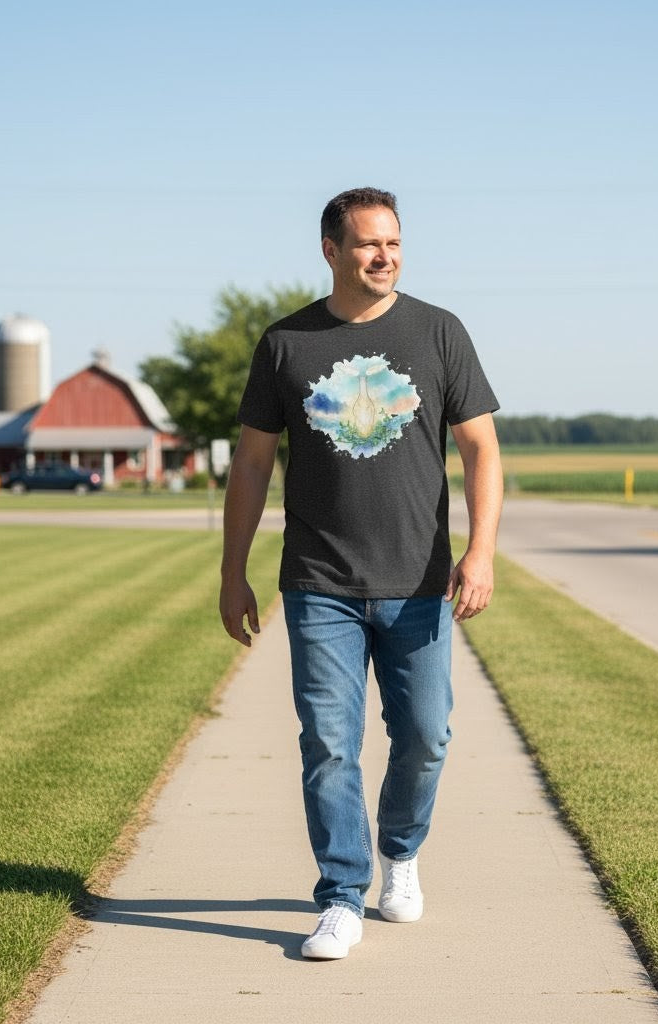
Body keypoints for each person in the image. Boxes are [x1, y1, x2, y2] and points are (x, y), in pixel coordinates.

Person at [219, 186, 502, 960]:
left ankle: (400, 855)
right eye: (370, 244)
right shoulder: (286, 343)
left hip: (418, 583)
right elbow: (250, 465)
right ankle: (341, 897)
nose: (386, 257)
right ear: (332, 251)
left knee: (424, 736)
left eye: (396, 244)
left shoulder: (439, 333)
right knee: (330, 743)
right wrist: (232, 573)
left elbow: (481, 449)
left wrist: (479, 552)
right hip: (318, 584)